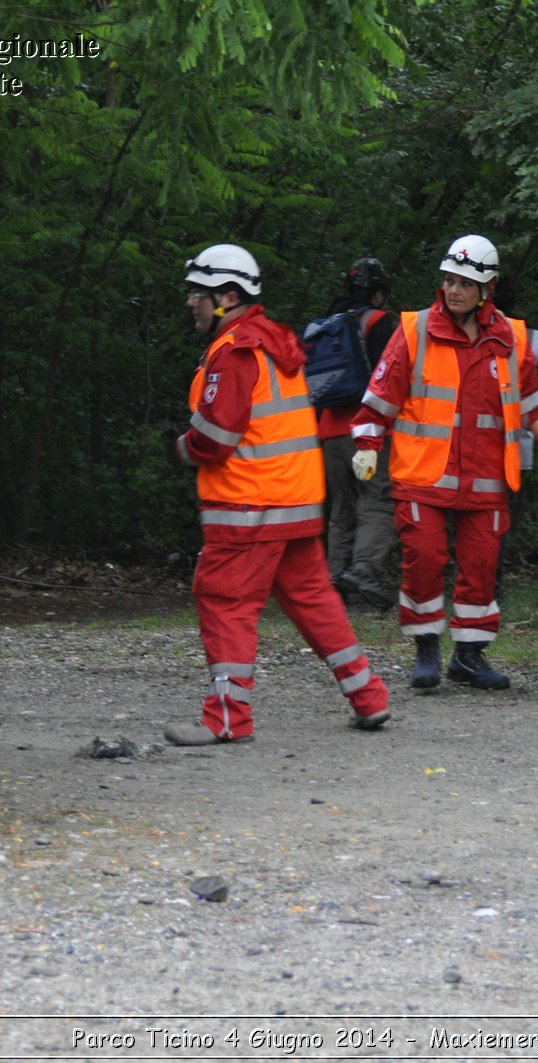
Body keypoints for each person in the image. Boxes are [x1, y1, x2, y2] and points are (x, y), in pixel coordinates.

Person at [164, 243, 390, 745]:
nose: (190, 303)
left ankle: (227, 717)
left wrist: (181, 447)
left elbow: (217, 438)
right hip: (295, 503)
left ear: (226, 296)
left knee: (225, 601)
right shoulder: (277, 342)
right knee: (314, 600)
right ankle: (370, 697)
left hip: (249, 506)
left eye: (197, 294)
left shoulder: (234, 351)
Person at [350, 234, 538, 691]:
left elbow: (531, 399)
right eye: (449, 280)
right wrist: (368, 444)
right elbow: (381, 395)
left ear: (487, 288)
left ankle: (468, 657)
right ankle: (426, 648)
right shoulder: (414, 330)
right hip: (423, 474)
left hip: (487, 475)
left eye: (465, 283)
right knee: (425, 559)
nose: (454, 290)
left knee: (481, 566)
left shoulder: (511, 337)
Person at [309, 257, 399, 609]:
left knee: (341, 508)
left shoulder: (327, 325)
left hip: (329, 429)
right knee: (377, 499)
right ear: (378, 295)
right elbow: (389, 376)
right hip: (367, 430)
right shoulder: (378, 322)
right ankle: (363, 569)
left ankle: (333, 582)